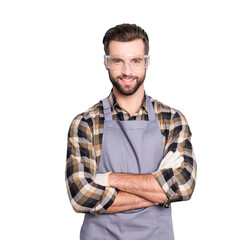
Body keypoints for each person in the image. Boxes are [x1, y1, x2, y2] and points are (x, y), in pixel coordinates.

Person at [65, 23, 197, 240]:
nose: (127, 71)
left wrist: (110, 178)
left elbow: (183, 187)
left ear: (147, 62)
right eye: (118, 61)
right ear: (106, 63)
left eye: (136, 61)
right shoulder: (85, 123)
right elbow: (82, 197)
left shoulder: (172, 120)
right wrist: (158, 191)